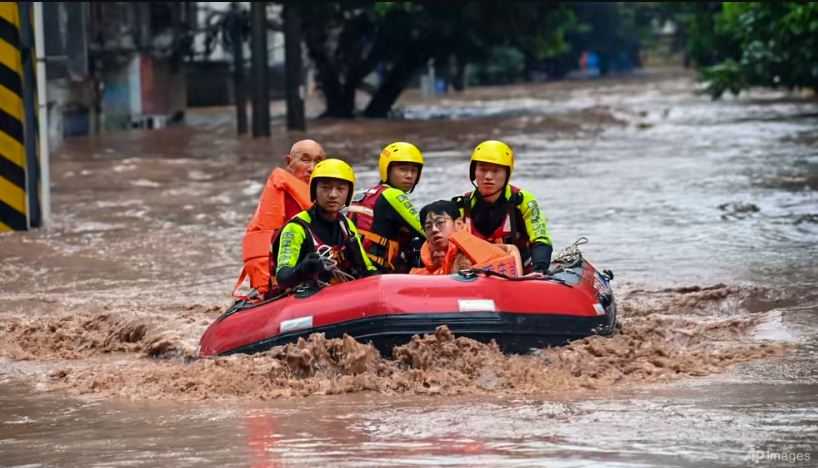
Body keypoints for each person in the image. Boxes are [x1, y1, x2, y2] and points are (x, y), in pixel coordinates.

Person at [234, 139, 326, 298]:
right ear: (289, 162)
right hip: (287, 275)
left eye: (318, 161)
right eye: (305, 160)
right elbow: (265, 239)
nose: (312, 168)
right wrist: (270, 282)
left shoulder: (329, 196)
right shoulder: (279, 192)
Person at [273, 158, 376, 289]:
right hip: (304, 298)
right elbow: (282, 278)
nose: (333, 195)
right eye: (325, 188)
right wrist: (303, 269)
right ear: (314, 190)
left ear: (348, 193)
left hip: (340, 294)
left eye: (340, 189)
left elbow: (367, 268)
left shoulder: (346, 225)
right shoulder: (296, 228)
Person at [453, 140, 553, 274]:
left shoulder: (522, 200)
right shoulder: (461, 206)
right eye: (482, 169)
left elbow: (541, 238)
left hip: (521, 274)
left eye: (496, 171)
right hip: (474, 276)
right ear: (474, 172)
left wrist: (540, 268)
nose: (488, 177)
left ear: (507, 174)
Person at [347, 141, 426, 273]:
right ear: (387, 170)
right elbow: (425, 230)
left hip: (354, 269)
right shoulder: (393, 195)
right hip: (378, 273)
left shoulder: (367, 194)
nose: (409, 176)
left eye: (414, 171)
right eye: (403, 169)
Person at [410, 200, 521, 276]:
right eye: (428, 226)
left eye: (440, 223)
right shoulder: (421, 257)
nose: (434, 229)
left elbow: (511, 250)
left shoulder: (471, 252)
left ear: (458, 224)